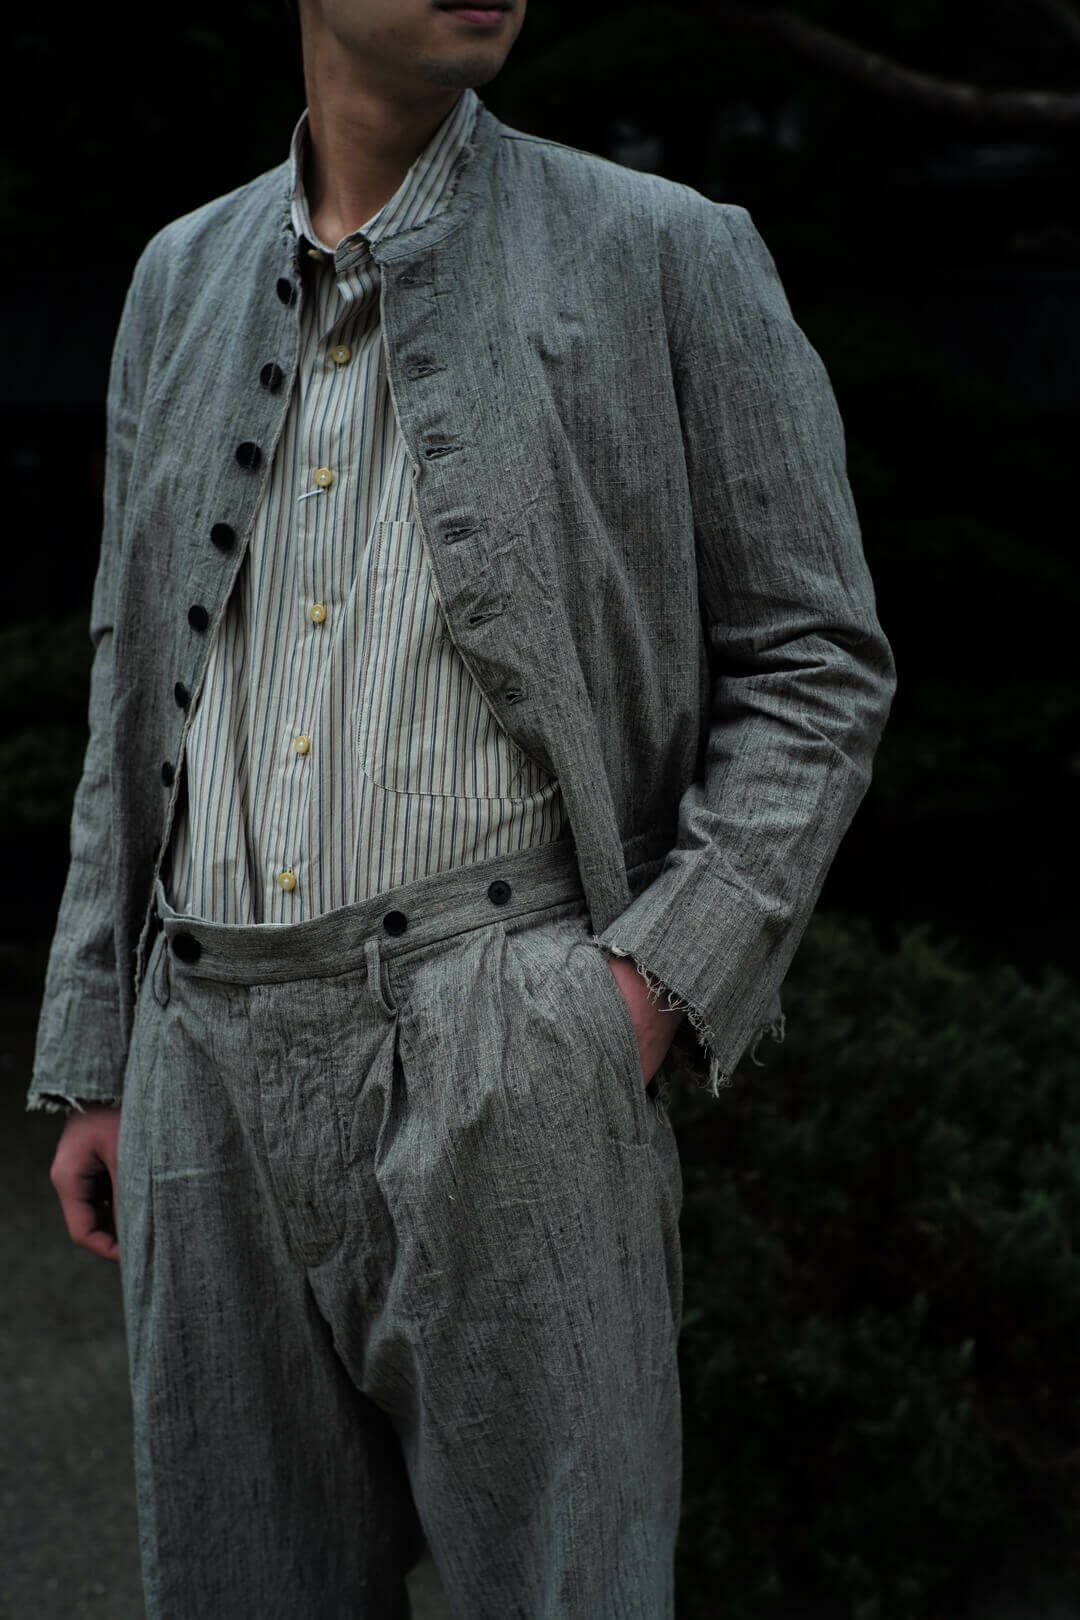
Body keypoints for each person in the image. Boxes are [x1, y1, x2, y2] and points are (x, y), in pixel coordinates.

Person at [27, 0, 897, 1614]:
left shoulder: (666, 249)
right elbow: (131, 675)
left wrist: (644, 990)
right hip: (201, 1062)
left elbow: (817, 659)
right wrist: (100, 1051)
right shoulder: (176, 278)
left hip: (516, 1042)